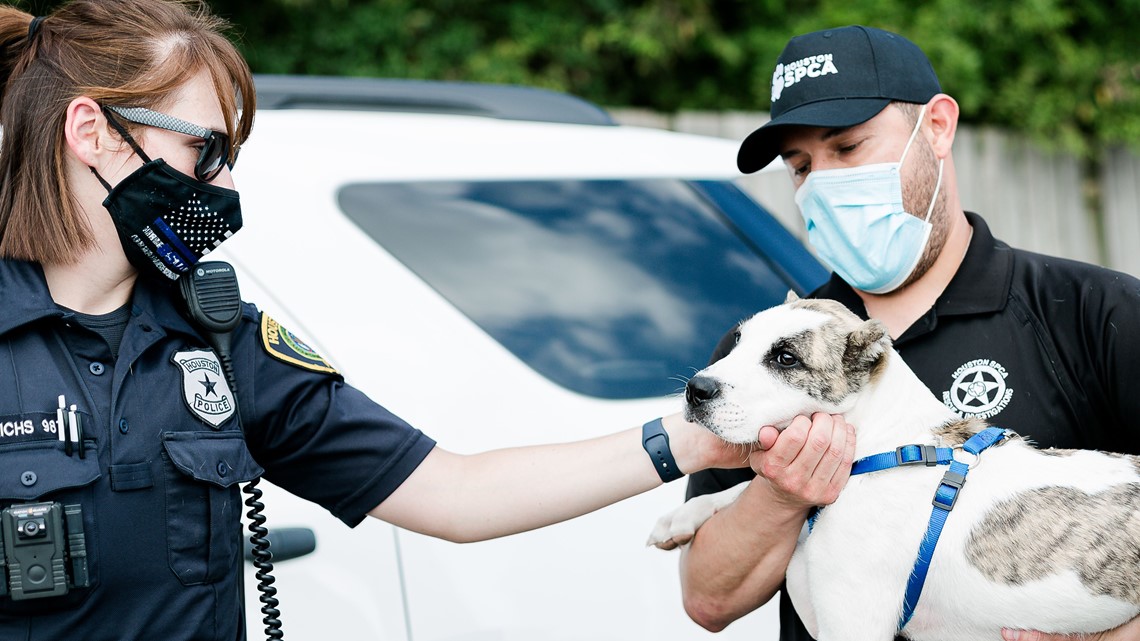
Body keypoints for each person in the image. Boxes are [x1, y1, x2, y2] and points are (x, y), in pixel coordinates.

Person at [0, 2, 748, 639]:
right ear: (90, 131)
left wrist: (689, 438)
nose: (224, 185)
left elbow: (455, 492)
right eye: (205, 150)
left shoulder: (221, 340)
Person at [680, 25, 1140, 641]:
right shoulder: (771, 352)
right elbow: (710, 599)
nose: (823, 184)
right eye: (801, 167)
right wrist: (785, 493)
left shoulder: (1098, 311)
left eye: (847, 148)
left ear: (938, 128)